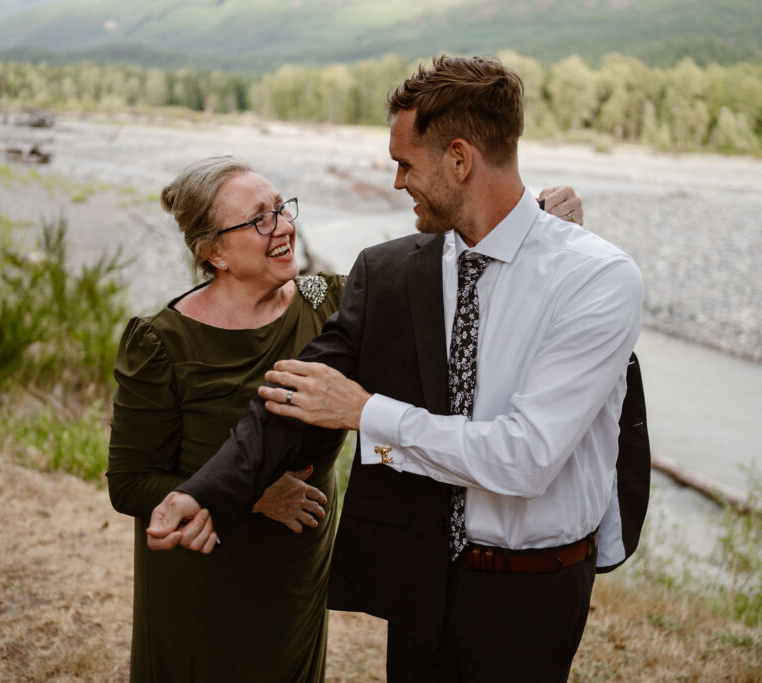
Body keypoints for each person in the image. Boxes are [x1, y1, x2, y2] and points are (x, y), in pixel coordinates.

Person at [149, 55, 642, 682]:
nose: (396, 183)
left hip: (532, 594)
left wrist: (365, 412)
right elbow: (300, 394)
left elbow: (527, 457)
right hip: (419, 582)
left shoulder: (595, 277)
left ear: (459, 159)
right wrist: (208, 494)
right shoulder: (387, 271)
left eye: (405, 165)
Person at [108, 156, 585, 680]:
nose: (284, 227)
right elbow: (129, 485)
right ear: (213, 252)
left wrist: (540, 226)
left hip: (293, 567)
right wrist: (253, 495)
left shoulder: (328, 301)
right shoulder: (161, 340)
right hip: (201, 566)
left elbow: (442, 270)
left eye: (281, 209)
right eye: (257, 219)